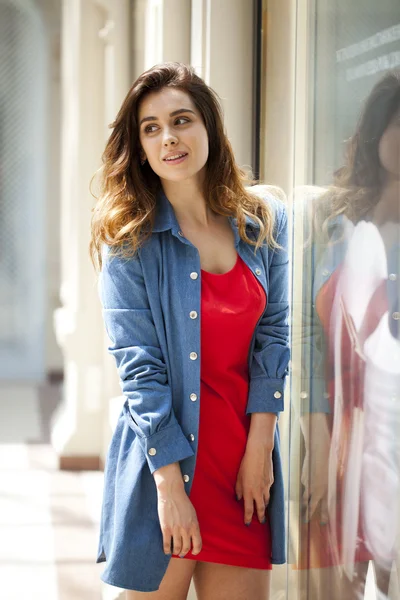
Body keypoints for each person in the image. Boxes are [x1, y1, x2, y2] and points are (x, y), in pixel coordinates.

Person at [89, 62, 290, 599]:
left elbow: (275, 334)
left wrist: (260, 450)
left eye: (182, 120)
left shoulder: (263, 221)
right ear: (139, 146)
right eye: (150, 128)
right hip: (168, 468)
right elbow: (140, 370)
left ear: (209, 128)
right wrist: (170, 489)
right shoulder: (127, 243)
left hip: (243, 476)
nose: (168, 137)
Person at [296, 69, 400, 599]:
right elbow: (308, 340)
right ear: (379, 128)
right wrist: (317, 444)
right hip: (336, 435)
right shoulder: (329, 219)